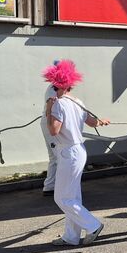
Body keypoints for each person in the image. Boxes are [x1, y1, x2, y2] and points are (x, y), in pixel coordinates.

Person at [44, 60, 111, 247]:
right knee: (72, 197)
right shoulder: (78, 102)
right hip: (79, 150)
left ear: (54, 83)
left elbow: (54, 130)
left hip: (68, 152)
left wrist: (49, 110)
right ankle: (71, 237)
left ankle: (93, 225)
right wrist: (102, 121)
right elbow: (92, 122)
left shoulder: (58, 104)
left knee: (62, 198)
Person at [40, 61, 85, 198]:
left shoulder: (55, 90)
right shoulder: (53, 91)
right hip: (52, 124)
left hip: (53, 124)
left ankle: (51, 186)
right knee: (57, 156)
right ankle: (57, 187)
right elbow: (53, 111)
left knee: (55, 157)